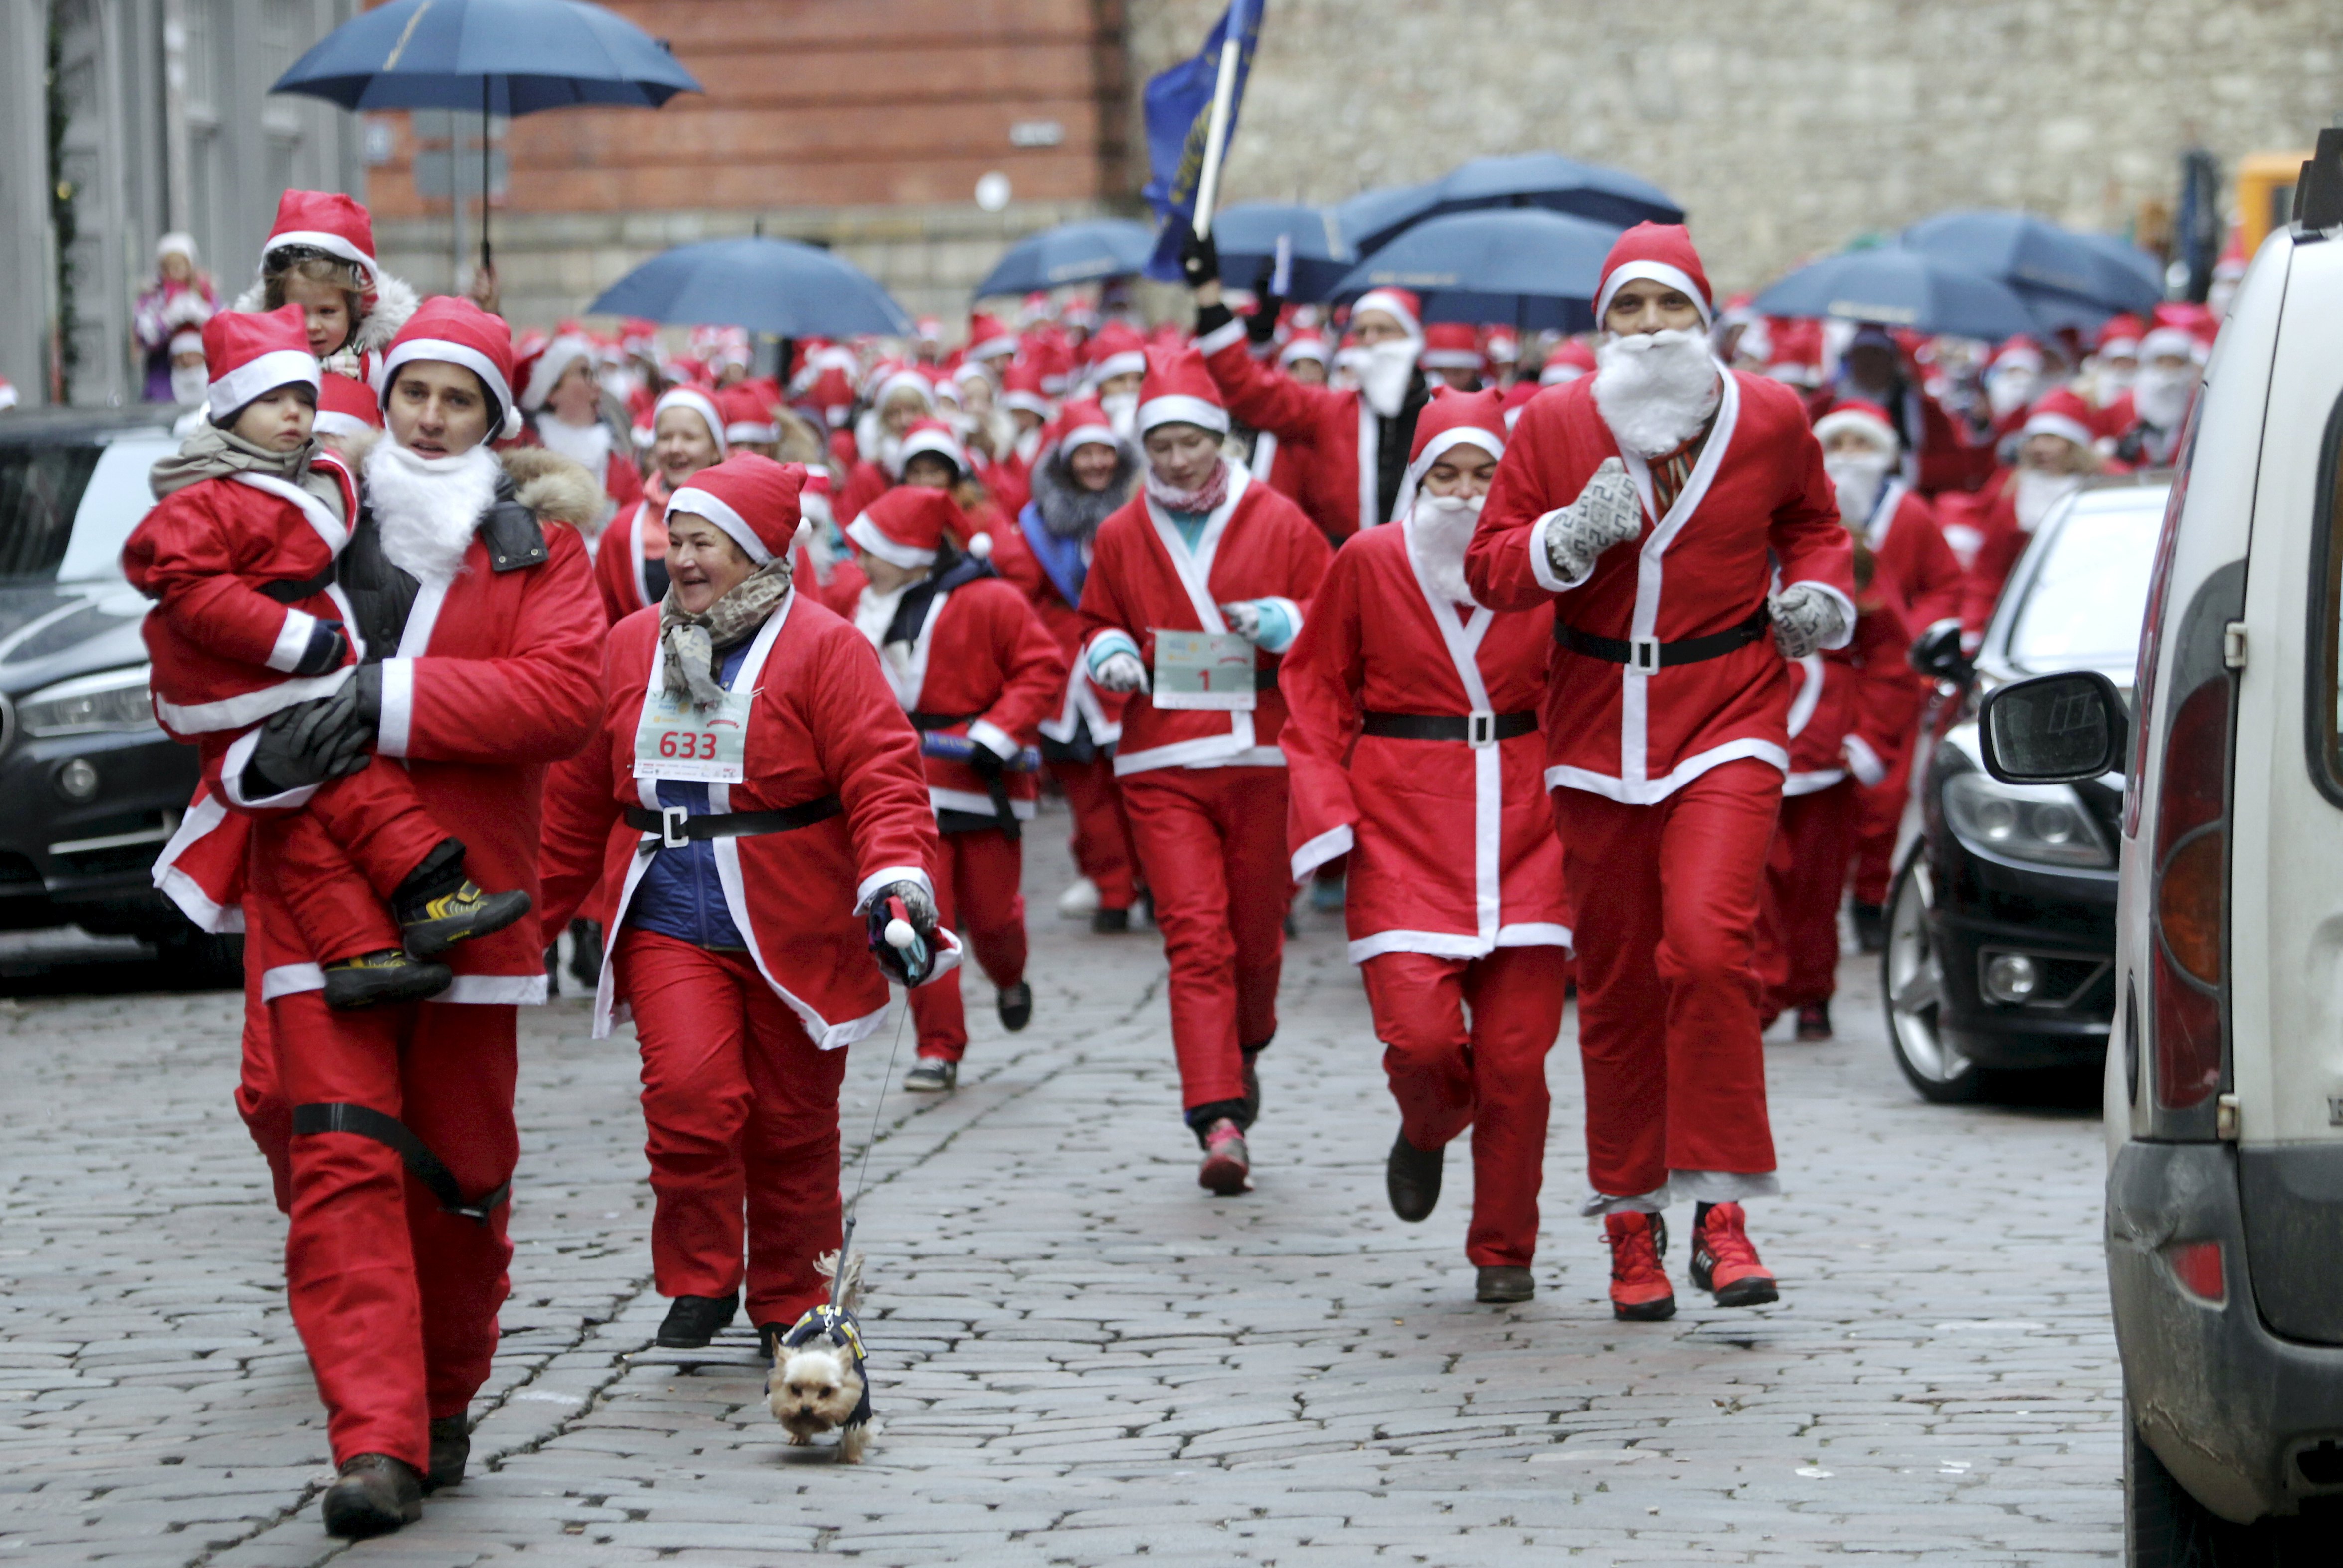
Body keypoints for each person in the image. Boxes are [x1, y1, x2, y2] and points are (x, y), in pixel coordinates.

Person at [157, 294, 606, 1537]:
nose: (430, 414)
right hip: (313, 895)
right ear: (387, 393)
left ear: (493, 419)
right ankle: (375, 1440)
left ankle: (444, 1398)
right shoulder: (296, 518)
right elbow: (192, 652)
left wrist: (381, 697)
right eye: (415, 391)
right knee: (342, 1160)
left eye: (459, 398)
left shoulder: (536, 552)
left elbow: (562, 698)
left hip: (476, 905)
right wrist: (238, 727)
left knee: (461, 1178)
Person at [1466, 223, 1856, 1321]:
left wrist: (1819, 596)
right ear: (1601, 330)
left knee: (1707, 946)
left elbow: (1814, 524)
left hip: (1730, 703)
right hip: (1596, 723)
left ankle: (1723, 1211)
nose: (1648, 332)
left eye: (1667, 309)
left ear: (1704, 317)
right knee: (1623, 982)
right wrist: (1562, 539)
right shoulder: (1549, 422)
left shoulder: (1771, 415)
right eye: (1626, 313)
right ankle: (1631, 1221)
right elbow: (1494, 569)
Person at [536, 452, 951, 1361]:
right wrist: (522, 921)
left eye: (707, 543)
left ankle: (792, 1296)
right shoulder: (627, 643)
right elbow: (575, 794)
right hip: (666, 902)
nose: (684, 559)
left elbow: (883, 777)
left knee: (794, 1120)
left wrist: (895, 880)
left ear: (759, 550)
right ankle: (698, 1276)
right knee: (688, 1097)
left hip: (789, 910)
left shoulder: (826, 646)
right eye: (676, 541)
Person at [126, 303, 532, 1008]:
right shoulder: (210, 497)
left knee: (321, 822)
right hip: (255, 691)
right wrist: (297, 644)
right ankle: (432, 893)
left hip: (300, 686)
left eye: (302, 399)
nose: (291, 414)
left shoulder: (315, 475)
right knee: (358, 792)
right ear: (229, 411)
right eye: (270, 400)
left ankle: (359, 951)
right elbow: (197, 595)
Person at [1278, 388, 1572, 1304]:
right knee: (1421, 1040)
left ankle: (1503, 1251)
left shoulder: (1548, 568)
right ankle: (1428, 1124)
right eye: (1445, 473)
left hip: (1529, 820)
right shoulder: (1368, 560)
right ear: (1416, 477)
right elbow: (1315, 686)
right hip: (1403, 819)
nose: (1465, 492)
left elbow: (1590, 688)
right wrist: (1326, 807)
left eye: (1486, 474)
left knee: (1519, 1061)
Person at [1078, 345, 1331, 1194]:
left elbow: (1330, 617)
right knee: (1195, 933)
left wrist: (1285, 619)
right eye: (1164, 446)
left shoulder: (1282, 520)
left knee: (1257, 936)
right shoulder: (1121, 533)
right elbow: (1098, 617)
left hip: (1262, 754)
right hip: (1163, 757)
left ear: (1220, 438)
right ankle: (1217, 1117)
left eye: (1192, 442)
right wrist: (1110, 653)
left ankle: (1244, 1043)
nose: (1179, 459)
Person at [842, 487, 1064, 1091]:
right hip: (901, 786)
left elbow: (1041, 667)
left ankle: (1009, 976)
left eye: (871, 551)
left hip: (980, 783)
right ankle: (938, 1048)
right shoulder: (858, 601)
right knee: (913, 917)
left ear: (910, 553)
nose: (858, 561)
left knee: (994, 918)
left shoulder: (992, 599)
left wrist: (995, 731)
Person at [1811, 401, 1966, 953]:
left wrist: (1916, 633)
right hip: (1818, 681)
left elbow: (1943, 583)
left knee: (1881, 799)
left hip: (1891, 674)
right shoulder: (1808, 513)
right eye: (1839, 443)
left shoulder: (1909, 514)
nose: (1849, 456)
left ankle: (1870, 898)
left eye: (1862, 444)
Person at [1752, 526, 1912, 1039]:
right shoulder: (1725, 543)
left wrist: (1866, 737)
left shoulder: (1840, 556)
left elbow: (1892, 665)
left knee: (1816, 888)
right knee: (1752, 886)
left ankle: (1811, 991)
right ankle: (1759, 991)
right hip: (1751, 741)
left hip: (1825, 756)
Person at [993, 403, 1146, 932]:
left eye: (1104, 450)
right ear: (1066, 460)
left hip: (1130, 666)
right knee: (1088, 791)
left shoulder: (1143, 512)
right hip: (1065, 678)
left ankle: (1148, 880)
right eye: (1085, 452)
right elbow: (1020, 600)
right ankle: (1112, 887)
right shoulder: (1036, 527)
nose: (1096, 462)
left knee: (1137, 784)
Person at [1187, 229, 1431, 542]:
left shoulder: (1444, 413)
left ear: (1412, 339)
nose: (1370, 342)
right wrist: (1210, 299)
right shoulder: (1329, 411)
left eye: (1383, 330)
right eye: (1362, 332)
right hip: (1342, 573)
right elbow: (1247, 390)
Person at [1958, 387, 2102, 639]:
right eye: (2034, 439)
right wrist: (1975, 626)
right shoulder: (2011, 489)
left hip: (2091, 611)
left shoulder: (2104, 485)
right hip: (2024, 620)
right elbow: (1989, 569)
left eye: (2050, 438)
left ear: (2075, 444)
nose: (2039, 448)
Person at [234, 191, 419, 388]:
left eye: (327, 311)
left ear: (355, 310)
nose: (312, 326)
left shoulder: (380, 367)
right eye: (297, 312)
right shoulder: (255, 368)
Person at [596, 384, 727, 624]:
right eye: (665, 437)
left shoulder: (749, 520)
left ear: (717, 449)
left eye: (690, 437)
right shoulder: (623, 531)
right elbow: (604, 624)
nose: (675, 448)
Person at [518, 328, 644, 525]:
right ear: (551, 392)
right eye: (584, 373)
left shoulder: (616, 457)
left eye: (595, 375)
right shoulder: (526, 450)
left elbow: (636, 521)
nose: (597, 386)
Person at [136, 233, 218, 403]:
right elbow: (144, 334)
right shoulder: (154, 296)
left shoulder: (203, 290)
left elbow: (222, 328)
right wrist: (167, 320)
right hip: (164, 376)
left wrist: (201, 315)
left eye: (179, 266)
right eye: (168, 267)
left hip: (204, 375)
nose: (174, 272)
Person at [2103, 325, 2198, 469]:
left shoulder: (2196, 404)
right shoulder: (2123, 403)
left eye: (2176, 363)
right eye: (2162, 362)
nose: (2169, 370)